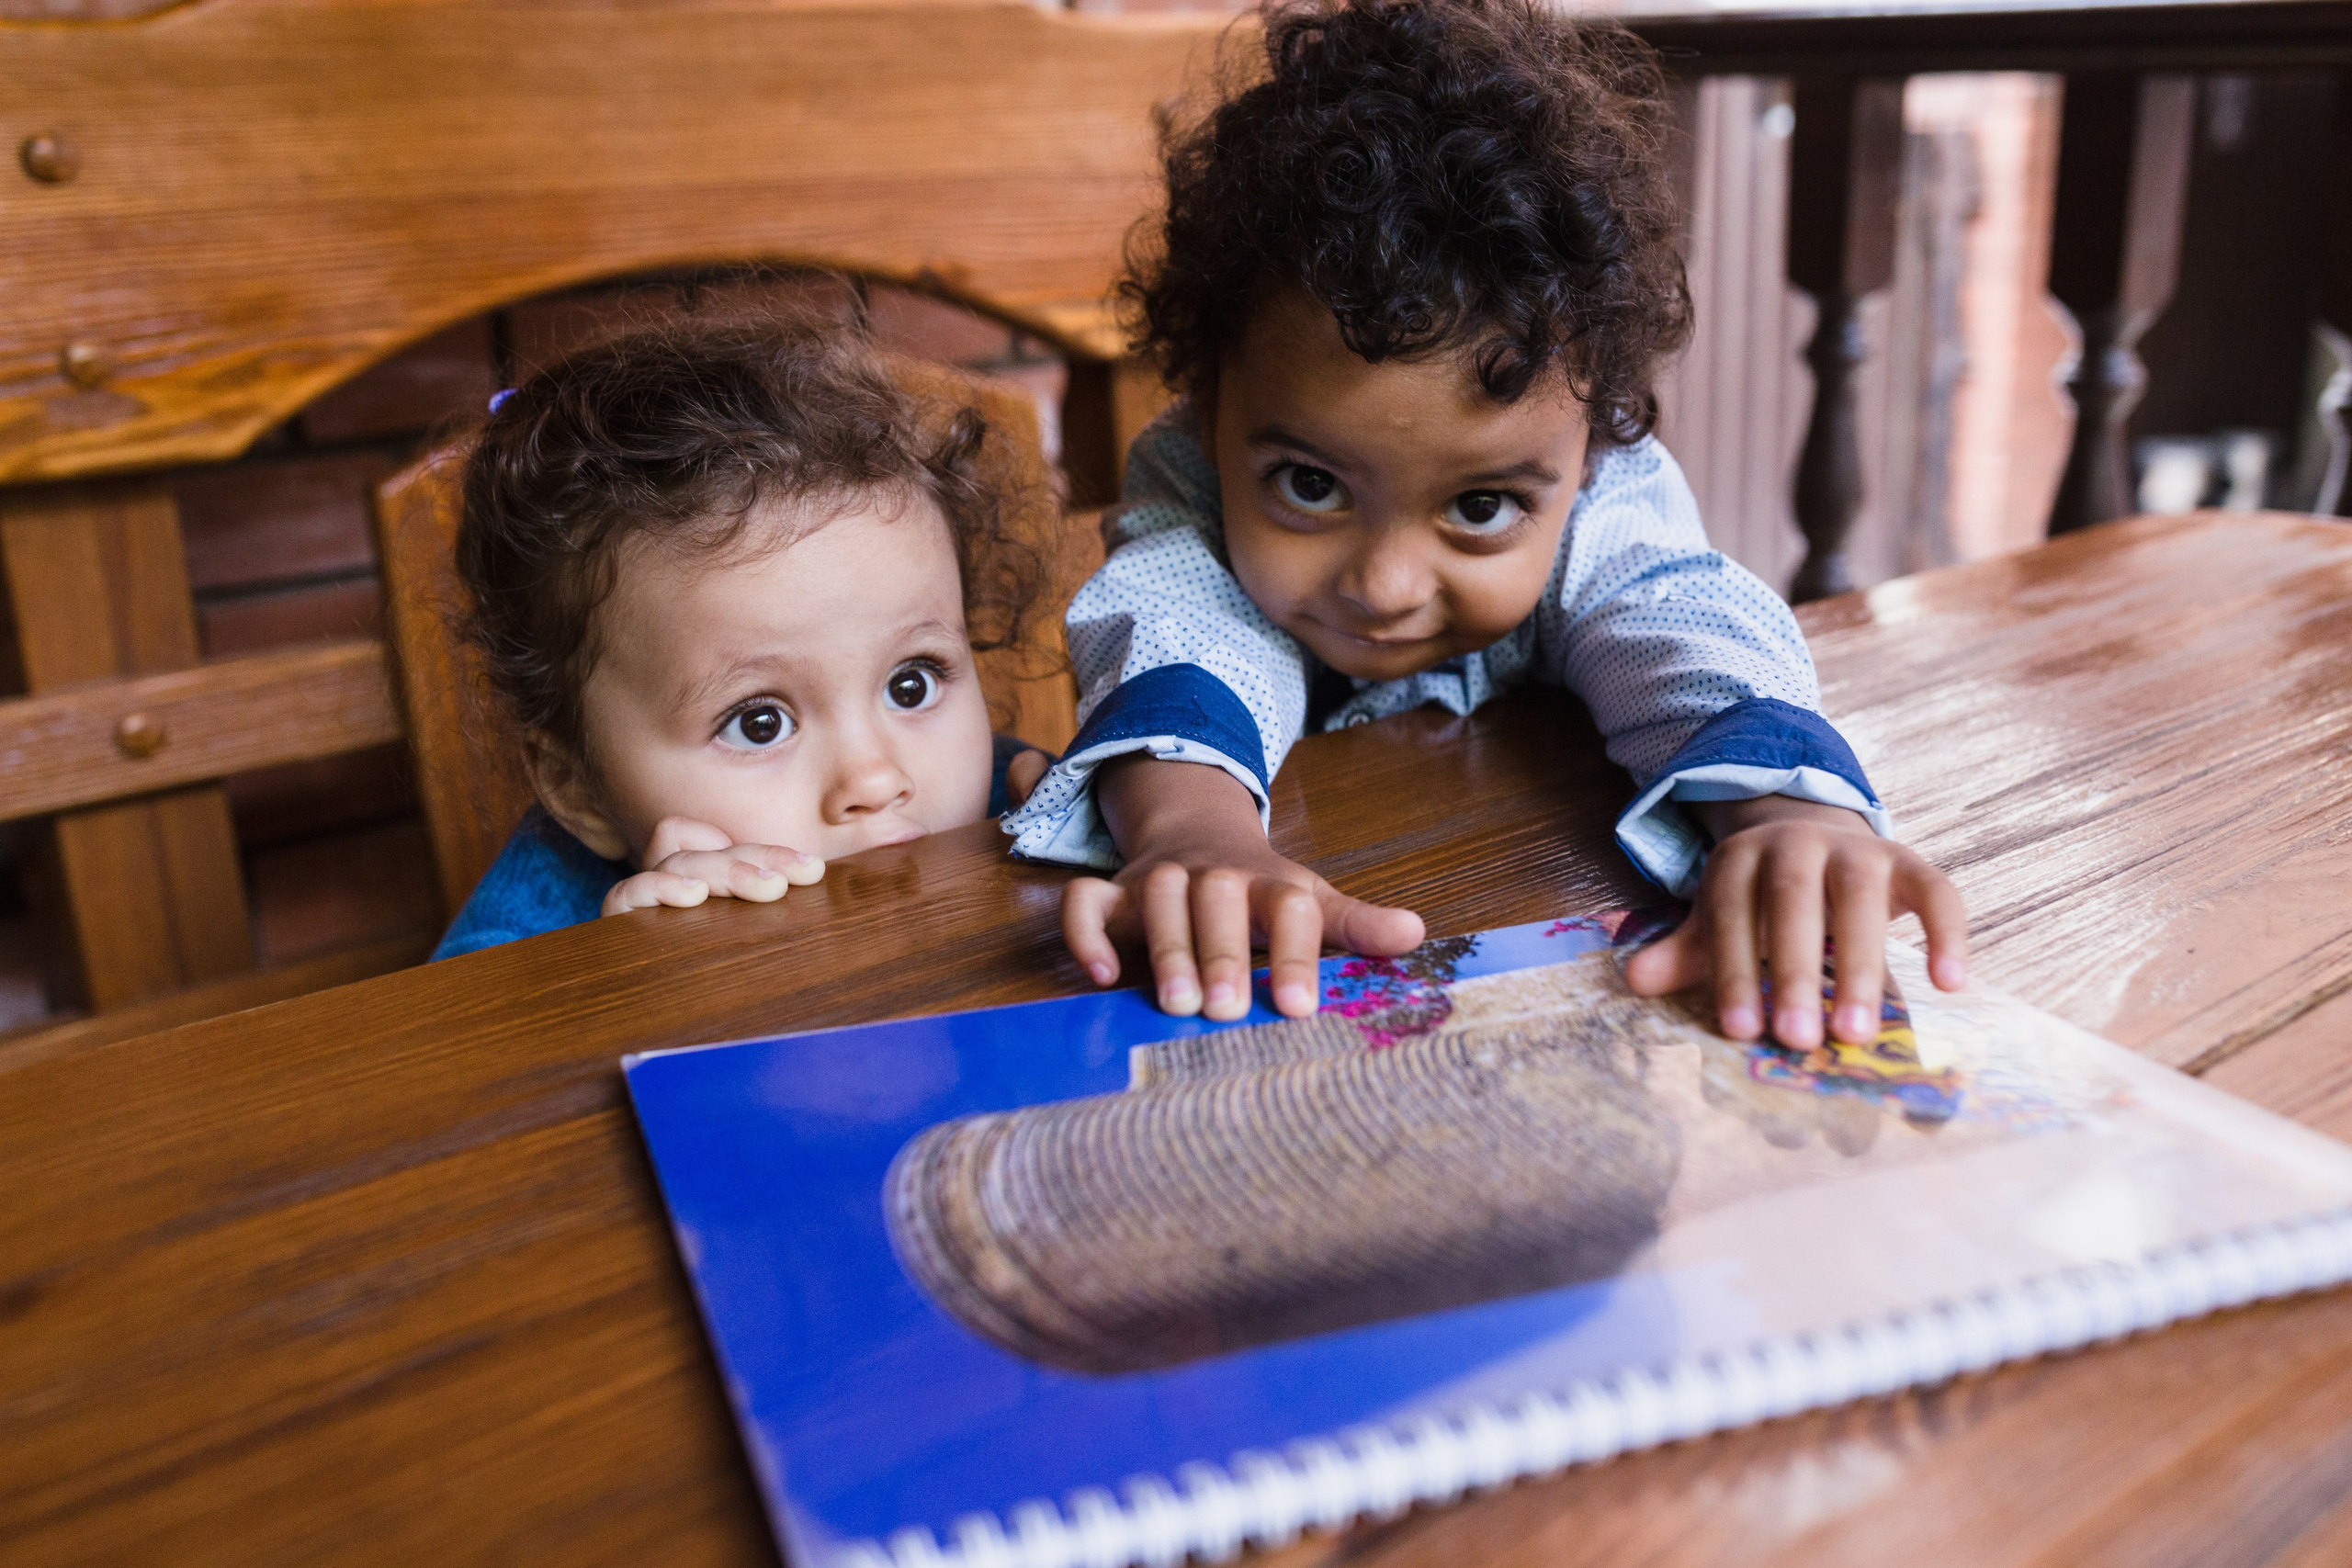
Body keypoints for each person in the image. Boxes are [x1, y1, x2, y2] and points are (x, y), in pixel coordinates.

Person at [1001, 0, 1968, 1048]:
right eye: (1311, 486)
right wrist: (1192, 831)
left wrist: (1786, 814)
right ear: (1211, 404)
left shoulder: (1607, 506)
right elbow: (1182, 629)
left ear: (1590, 455)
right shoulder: (1191, 481)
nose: (1385, 583)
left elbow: (1675, 620)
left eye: (1477, 508)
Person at [433, 315, 1047, 959]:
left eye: (911, 682)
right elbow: (449, 1059)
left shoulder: (1025, 806)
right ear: (576, 786)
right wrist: (632, 1001)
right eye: (760, 723)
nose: (873, 780)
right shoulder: (513, 954)